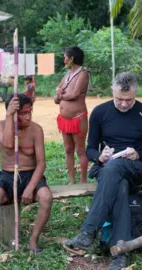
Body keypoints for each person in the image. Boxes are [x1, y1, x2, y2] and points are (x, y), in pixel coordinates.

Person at [63, 72, 142, 270]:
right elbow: (89, 149)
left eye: (129, 100)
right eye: (119, 99)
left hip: (135, 167)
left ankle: (89, 231)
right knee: (120, 186)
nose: (124, 104)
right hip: (108, 168)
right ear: (112, 91)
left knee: (114, 169)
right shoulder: (100, 112)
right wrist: (99, 157)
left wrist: (139, 154)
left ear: (136, 94)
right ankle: (120, 254)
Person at [0, 94, 53, 258]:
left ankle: (33, 241)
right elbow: (9, 144)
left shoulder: (36, 129)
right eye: (23, 113)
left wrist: (30, 187)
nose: (28, 116)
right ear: (12, 112)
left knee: (46, 197)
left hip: (31, 174)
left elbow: (41, 163)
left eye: (30, 112)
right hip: (8, 175)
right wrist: (9, 115)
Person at [54, 46, 89, 184]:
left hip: (78, 118)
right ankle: (72, 180)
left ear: (72, 59)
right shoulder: (67, 75)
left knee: (80, 150)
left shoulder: (83, 74)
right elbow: (56, 96)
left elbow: (74, 94)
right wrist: (59, 94)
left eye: (65, 57)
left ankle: (83, 181)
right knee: (68, 149)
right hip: (64, 120)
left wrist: (60, 93)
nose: (64, 60)